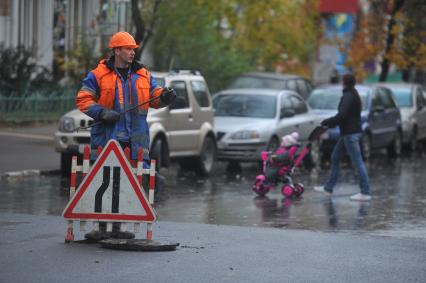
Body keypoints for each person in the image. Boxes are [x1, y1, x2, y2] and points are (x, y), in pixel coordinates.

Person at [75, 31, 176, 240]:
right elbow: (83, 99)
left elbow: (154, 96)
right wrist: (101, 112)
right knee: (105, 182)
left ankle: (119, 226)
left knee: (128, 183)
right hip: (107, 139)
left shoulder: (143, 74)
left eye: (133, 49)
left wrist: (165, 97)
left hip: (135, 140)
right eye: (128, 49)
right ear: (116, 50)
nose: (132, 52)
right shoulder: (98, 74)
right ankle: (102, 228)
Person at [314, 73, 371, 201]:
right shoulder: (353, 94)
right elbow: (346, 116)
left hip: (350, 134)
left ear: (344, 82)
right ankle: (328, 188)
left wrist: (326, 122)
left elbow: (342, 115)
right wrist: (331, 123)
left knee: (357, 162)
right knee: (335, 157)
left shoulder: (348, 96)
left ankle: (365, 192)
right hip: (348, 133)